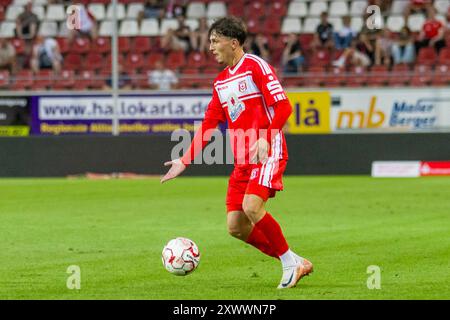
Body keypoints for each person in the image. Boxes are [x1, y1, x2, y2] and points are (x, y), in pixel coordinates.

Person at [161, 16, 313, 289]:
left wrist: (266, 138)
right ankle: (292, 259)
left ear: (233, 43)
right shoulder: (220, 82)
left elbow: (284, 107)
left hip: (267, 152)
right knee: (236, 227)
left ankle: (290, 264)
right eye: (209, 41)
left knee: (252, 206)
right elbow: (209, 125)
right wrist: (185, 160)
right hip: (242, 161)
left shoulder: (255, 66)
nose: (210, 47)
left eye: (214, 41)